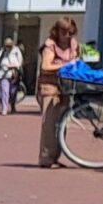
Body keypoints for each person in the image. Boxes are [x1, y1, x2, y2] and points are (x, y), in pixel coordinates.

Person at [36, 17, 80, 167]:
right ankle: (45, 158)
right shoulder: (50, 45)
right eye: (64, 32)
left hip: (65, 86)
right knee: (49, 124)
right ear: (57, 31)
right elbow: (45, 66)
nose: (67, 35)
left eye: (70, 32)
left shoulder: (73, 45)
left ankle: (55, 156)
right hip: (50, 86)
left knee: (62, 124)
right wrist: (65, 65)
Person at [0, 37, 25, 115]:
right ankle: (4, 108)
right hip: (4, 74)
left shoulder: (16, 51)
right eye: (7, 46)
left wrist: (15, 66)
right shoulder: (2, 51)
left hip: (14, 74)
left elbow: (20, 61)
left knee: (13, 92)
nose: (8, 47)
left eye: (9, 45)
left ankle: (12, 105)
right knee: (4, 92)